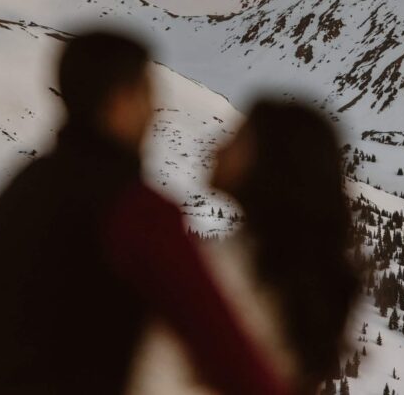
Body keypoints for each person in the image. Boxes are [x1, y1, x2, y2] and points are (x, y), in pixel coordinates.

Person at [0, 31, 289, 395]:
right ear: (120, 102)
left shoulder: (22, 187)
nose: (154, 112)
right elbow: (224, 347)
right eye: (147, 95)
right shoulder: (135, 210)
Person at [127, 99, 362, 395]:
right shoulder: (297, 282)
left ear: (272, 162)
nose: (217, 148)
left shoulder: (223, 270)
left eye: (238, 140)